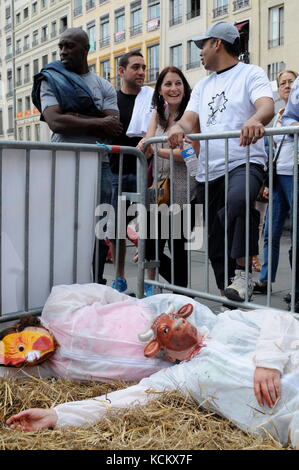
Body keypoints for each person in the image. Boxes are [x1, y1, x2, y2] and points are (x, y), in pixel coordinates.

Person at [7, 303, 299, 449]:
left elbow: (279, 318)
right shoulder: (181, 377)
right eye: (166, 327)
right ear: (161, 350)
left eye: (176, 318)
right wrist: (56, 415)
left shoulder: (227, 322)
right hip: (290, 418)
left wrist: (269, 362)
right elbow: (122, 400)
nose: (178, 321)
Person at [167, 22, 274, 302]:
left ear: (217, 43)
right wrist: (179, 128)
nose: (199, 53)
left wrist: (255, 119)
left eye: (202, 45)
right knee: (215, 246)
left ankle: (243, 273)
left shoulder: (251, 73)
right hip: (208, 172)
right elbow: (189, 120)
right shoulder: (203, 86)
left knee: (239, 201)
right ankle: (230, 303)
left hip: (243, 161)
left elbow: (266, 105)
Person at [31, 28, 122, 286]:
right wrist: (97, 121)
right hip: (63, 163)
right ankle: (62, 283)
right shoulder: (51, 78)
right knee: (63, 228)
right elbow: (56, 121)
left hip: (99, 164)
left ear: (85, 49)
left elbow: (114, 125)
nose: (63, 52)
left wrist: (76, 117)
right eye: (61, 46)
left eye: (69, 46)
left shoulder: (103, 85)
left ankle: (94, 282)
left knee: (98, 229)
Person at [0, 283, 213, 382]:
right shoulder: (53, 367)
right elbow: (6, 375)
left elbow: (104, 293)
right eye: (23, 357)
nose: (32, 351)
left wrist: (140, 308)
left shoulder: (57, 307)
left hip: (162, 320)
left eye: (23, 341)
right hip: (170, 362)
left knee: (215, 332)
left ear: (22, 326)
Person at [137, 66, 199, 287]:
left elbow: (190, 152)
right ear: (160, 90)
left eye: (178, 83)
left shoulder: (191, 114)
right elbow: (146, 143)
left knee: (178, 249)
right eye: (168, 84)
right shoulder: (158, 113)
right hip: (159, 189)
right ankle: (184, 292)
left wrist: (155, 149)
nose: (174, 88)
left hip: (184, 191)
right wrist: (146, 146)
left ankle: (181, 297)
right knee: (149, 248)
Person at [108, 51, 154, 295]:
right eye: (136, 67)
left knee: (148, 227)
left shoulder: (150, 98)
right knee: (117, 229)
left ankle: (147, 282)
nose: (141, 72)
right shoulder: (112, 101)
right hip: (116, 172)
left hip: (144, 171)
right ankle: (119, 278)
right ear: (121, 71)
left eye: (143, 67)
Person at [253, 70, 299, 312]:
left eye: (291, 82)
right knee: (271, 231)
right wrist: (268, 182)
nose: (287, 86)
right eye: (283, 83)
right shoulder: (279, 115)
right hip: (278, 176)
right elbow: (271, 152)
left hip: (294, 173)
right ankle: (264, 278)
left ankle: (296, 287)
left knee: (296, 236)